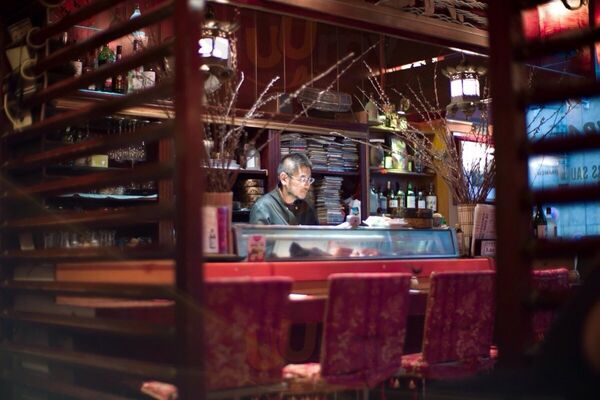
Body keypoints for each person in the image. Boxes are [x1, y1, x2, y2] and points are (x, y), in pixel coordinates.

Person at [250, 152, 319, 225]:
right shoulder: (263, 208)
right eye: (303, 179)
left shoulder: (306, 207)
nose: (307, 186)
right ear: (284, 179)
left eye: (309, 179)